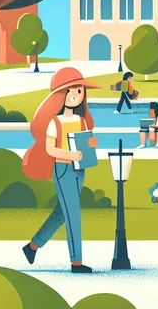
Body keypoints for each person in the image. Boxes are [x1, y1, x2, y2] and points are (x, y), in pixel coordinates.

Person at [20, 67, 99, 273]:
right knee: (73, 213)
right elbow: (50, 149)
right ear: (60, 96)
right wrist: (70, 155)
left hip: (80, 169)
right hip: (63, 169)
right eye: (71, 92)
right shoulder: (55, 122)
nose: (75, 96)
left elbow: (85, 143)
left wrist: (90, 144)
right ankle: (77, 262)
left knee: (62, 213)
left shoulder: (81, 120)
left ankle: (33, 246)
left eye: (79, 91)